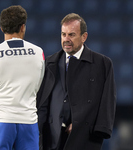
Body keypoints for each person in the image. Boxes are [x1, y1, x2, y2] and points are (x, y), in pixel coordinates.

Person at [37, 13, 116, 150]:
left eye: (71, 35)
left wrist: (94, 129)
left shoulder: (102, 64)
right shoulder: (49, 63)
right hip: (52, 138)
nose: (66, 39)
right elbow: (43, 102)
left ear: (84, 37)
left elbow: (107, 101)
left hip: (85, 138)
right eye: (63, 34)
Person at [0, 5, 45, 150]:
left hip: (0, 121)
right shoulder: (39, 53)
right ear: (23, 27)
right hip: (28, 121)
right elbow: (37, 86)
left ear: (2, 28)